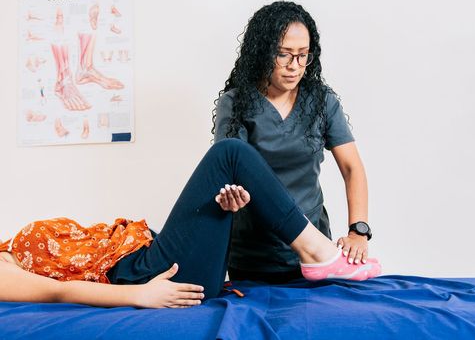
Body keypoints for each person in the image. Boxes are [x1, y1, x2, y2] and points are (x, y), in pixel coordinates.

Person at [0, 139, 381, 309]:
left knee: (229, 178)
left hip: (152, 252)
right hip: (147, 273)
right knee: (229, 154)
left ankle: (317, 251)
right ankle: (318, 251)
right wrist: (139, 296)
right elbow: (57, 294)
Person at [213, 1, 371, 283]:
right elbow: (230, 171)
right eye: (283, 55)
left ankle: (315, 252)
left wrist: (358, 231)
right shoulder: (236, 104)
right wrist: (230, 198)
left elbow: (351, 168)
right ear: (262, 53)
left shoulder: (321, 102)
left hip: (316, 256)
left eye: (302, 56)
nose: (294, 66)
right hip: (253, 256)